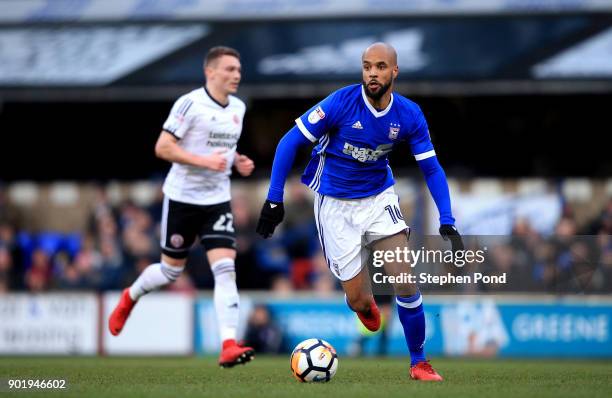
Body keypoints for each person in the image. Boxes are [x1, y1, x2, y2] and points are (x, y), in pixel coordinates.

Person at [256, 42, 463, 381]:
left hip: (379, 198)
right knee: (358, 302)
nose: (372, 73)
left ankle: (419, 362)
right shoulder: (340, 102)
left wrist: (447, 220)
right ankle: (364, 307)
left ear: (394, 71)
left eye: (380, 66)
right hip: (335, 206)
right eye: (367, 66)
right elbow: (289, 142)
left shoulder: (409, 114)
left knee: (404, 280)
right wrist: (274, 200)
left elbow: (432, 169)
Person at [109, 46, 256, 368]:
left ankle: (228, 343)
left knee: (226, 268)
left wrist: (236, 159)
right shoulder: (189, 104)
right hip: (183, 199)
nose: (236, 75)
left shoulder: (239, 108)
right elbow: (163, 147)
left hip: (217, 200)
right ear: (211, 72)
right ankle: (130, 296)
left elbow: (223, 148)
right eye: (229, 69)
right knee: (170, 271)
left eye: (238, 70)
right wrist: (203, 161)